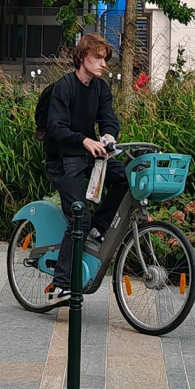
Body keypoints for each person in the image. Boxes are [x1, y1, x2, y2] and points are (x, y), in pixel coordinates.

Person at [37, 34, 125, 250]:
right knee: (79, 220)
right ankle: (62, 282)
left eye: (105, 59)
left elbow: (108, 119)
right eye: (98, 57)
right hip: (62, 161)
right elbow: (56, 127)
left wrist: (108, 136)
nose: (104, 64)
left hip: (86, 156)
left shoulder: (101, 88)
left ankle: (98, 227)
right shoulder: (65, 87)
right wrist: (84, 140)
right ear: (83, 56)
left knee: (125, 179)